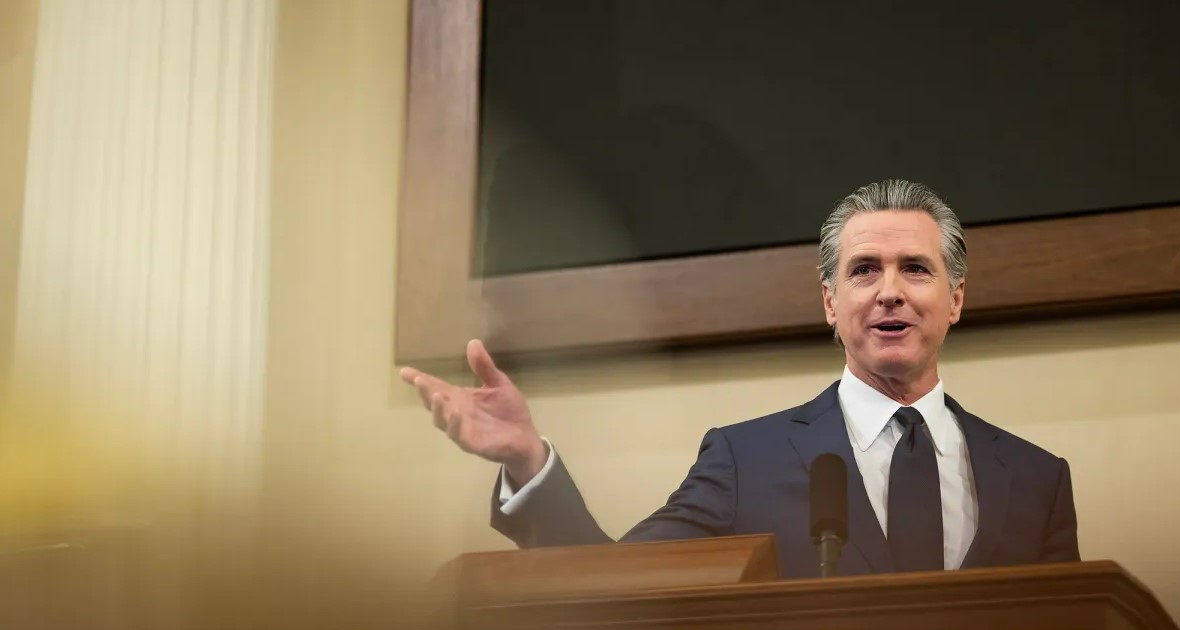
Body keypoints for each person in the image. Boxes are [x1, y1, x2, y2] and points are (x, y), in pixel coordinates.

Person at [399, 180, 1079, 577]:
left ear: (955, 299)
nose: (889, 292)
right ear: (829, 304)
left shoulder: (1036, 479)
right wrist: (528, 459)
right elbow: (617, 583)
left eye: (917, 269)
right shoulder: (742, 461)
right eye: (865, 269)